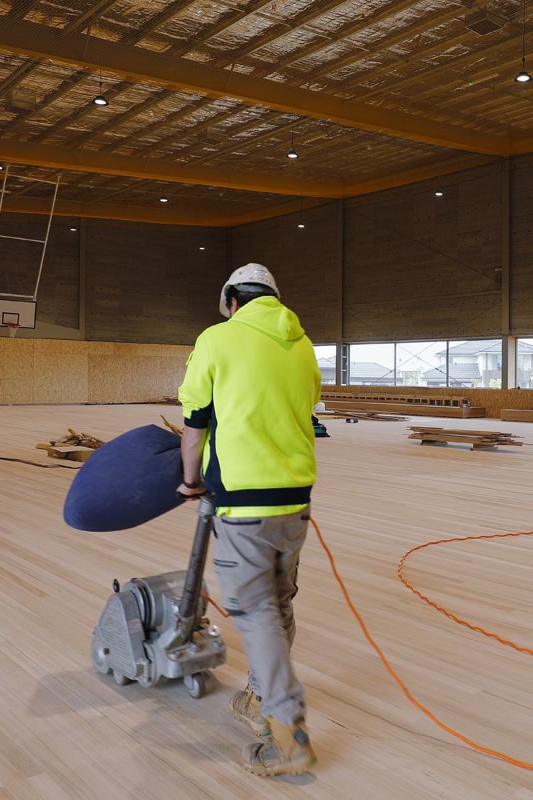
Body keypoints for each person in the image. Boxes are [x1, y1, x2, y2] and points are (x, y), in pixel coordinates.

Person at [176, 263, 322, 776]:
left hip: (243, 502)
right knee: (279, 602)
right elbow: (304, 410)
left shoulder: (217, 338)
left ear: (233, 300)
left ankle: (288, 734)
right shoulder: (301, 345)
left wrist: (191, 480)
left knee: (255, 610)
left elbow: (194, 424)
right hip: (296, 498)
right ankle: (260, 696)